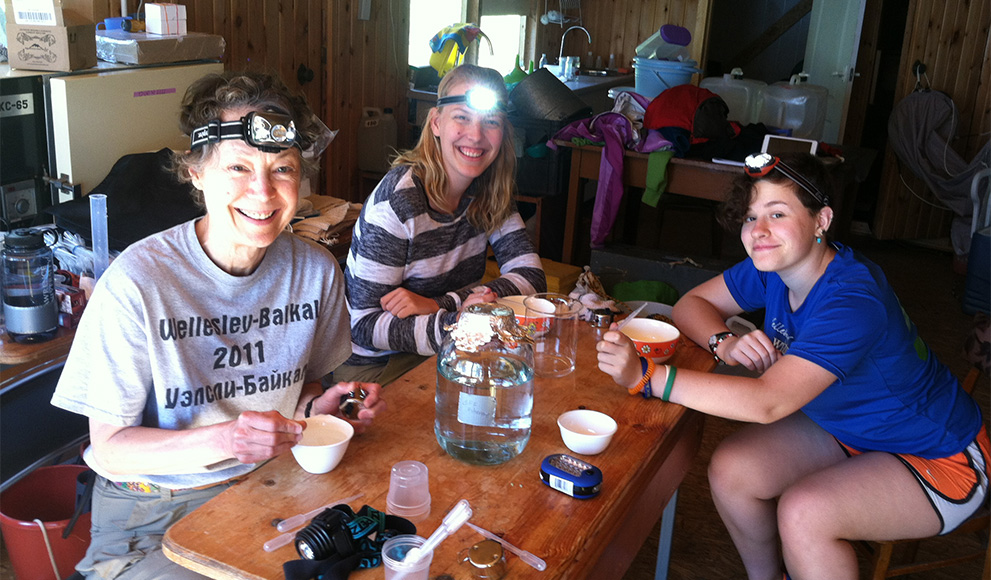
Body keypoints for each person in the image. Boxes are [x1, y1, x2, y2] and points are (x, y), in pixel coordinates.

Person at [50, 71, 386, 580]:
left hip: (267, 487)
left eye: (283, 169)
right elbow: (111, 449)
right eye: (238, 166)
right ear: (195, 173)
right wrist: (226, 441)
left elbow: (302, 387)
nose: (263, 191)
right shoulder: (139, 282)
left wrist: (317, 409)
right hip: (152, 512)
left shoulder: (314, 271)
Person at [596, 152, 988, 580]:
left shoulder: (851, 298)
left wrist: (648, 378)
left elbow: (769, 402)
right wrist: (724, 343)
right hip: (850, 428)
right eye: (749, 217)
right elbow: (693, 303)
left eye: (777, 213)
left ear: (822, 220)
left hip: (938, 452)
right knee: (733, 470)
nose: (758, 231)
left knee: (805, 514)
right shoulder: (776, 267)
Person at [339, 64, 546, 385]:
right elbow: (363, 324)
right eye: (461, 117)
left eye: (490, 122)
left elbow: (531, 276)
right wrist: (456, 323)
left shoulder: (490, 189)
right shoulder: (399, 202)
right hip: (374, 366)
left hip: (449, 346)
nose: (476, 136)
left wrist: (440, 305)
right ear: (436, 122)